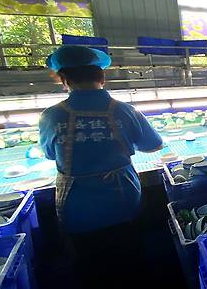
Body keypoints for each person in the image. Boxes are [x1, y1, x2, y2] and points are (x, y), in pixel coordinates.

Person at [39, 45, 163, 235]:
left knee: (87, 257)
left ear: (64, 80)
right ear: (102, 77)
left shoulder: (51, 116)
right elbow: (155, 145)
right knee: (132, 248)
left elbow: (49, 154)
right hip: (123, 197)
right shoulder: (124, 110)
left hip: (77, 205)